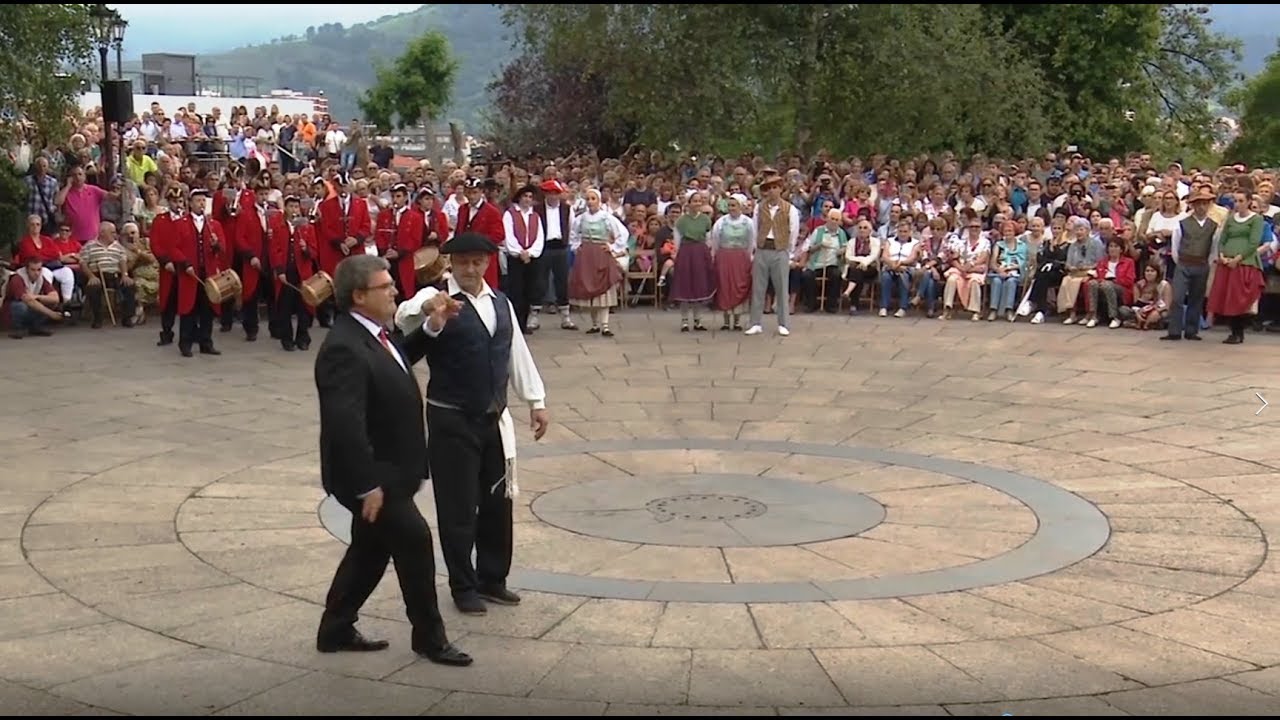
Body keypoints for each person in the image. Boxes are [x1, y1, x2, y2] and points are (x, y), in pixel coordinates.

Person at [313, 253, 472, 667]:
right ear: (359, 295)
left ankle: (335, 628)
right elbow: (345, 423)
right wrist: (367, 484)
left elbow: (394, 359)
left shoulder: (371, 335)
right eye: (385, 287)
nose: (395, 291)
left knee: (369, 551)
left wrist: (432, 327)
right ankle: (430, 638)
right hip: (373, 476)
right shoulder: (343, 347)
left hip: (391, 470)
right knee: (415, 542)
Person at [394, 231, 550, 616]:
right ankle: (463, 585)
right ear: (451, 263)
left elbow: (515, 352)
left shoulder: (501, 303)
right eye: (462, 261)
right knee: (458, 505)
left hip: (493, 416)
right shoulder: (436, 296)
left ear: (487, 263)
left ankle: (492, 578)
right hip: (451, 417)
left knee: (497, 502)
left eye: (477, 261)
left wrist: (536, 401)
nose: (470, 268)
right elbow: (405, 314)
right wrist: (431, 307)